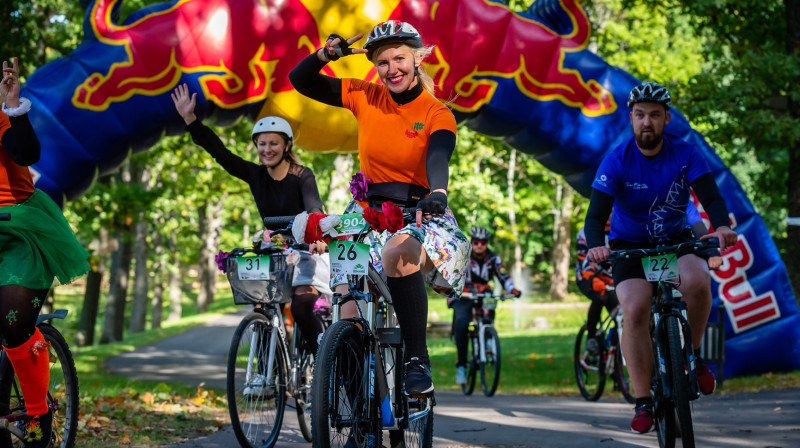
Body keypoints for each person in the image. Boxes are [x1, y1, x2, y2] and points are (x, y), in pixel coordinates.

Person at [289, 20, 470, 396]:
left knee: (397, 254)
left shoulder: (437, 112)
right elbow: (300, 80)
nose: (392, 70)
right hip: (365, 213)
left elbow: (439, 154)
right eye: (382, 63)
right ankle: (355, 416)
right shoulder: (364, 95)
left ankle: (416, 360)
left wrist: (438, 190)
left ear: (418, 59)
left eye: (400, 59)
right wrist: (326, 54)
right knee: (349, 316)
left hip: (420, 210)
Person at [584, 81, 738, 434]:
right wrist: (597, 244)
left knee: (698, 282)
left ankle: (694, 358)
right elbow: (595, 217)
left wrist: (722, 227)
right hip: (630, 247)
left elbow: (711, 198)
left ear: (667, 119)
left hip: (675, 242)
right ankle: (642, 400)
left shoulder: (685, 153)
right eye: (640, 116)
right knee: (635, 309)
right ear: (631, 119)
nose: (647, 123)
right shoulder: (616, 159)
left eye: (655, 115)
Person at [171, 84, 331, 354]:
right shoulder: (256, 176)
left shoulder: (303, 175)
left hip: (305, 249)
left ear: (286, 145)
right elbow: (221, 154)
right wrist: (191, 120)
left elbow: (315, 208)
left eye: (274, 143)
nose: (267, 149)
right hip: (275, 252)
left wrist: (316, 236)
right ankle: (268, 375)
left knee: (303, 306)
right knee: (262, 308)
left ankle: (324, 363)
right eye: (262, 143)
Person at [0, 57, 90, 447]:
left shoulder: (3, 117)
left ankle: (38, 418)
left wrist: (13, 109)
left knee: (13, 321)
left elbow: (26, 153)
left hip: (20, 229)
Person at [451, 226, 520, 385]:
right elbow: (453, 275)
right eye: (476, 242)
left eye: (483, 242)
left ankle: (488, 336)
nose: (479, 245)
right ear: (472, 242)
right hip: (464, 294)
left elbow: (503, 275)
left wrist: (512, 289)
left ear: (486, 243)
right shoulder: (463, 255)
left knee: (491, 299)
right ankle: (461, 366)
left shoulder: (493, 258)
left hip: (484, 294)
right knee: (461, 324)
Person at [575, 225, 618, 357]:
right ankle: (591, 336)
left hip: (612, 277)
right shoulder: (584, 232)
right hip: (588, 275)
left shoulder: (621, 225)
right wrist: (596, 282)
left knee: (623, 313)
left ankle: (614, 351)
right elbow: (583, 259)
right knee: (600, 296)